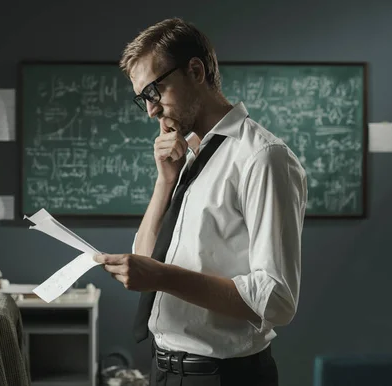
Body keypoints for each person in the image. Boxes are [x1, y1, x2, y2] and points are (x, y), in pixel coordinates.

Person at [93, 17, 307, 386]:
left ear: (195, 70)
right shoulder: (190, 156)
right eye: (143, 97)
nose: (151, 110)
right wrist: (165, 181)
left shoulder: (262, 157)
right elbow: (147, 259)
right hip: (163, 369)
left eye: (155, 91)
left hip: (221, 377)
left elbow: (276, 299)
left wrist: (163, 277)